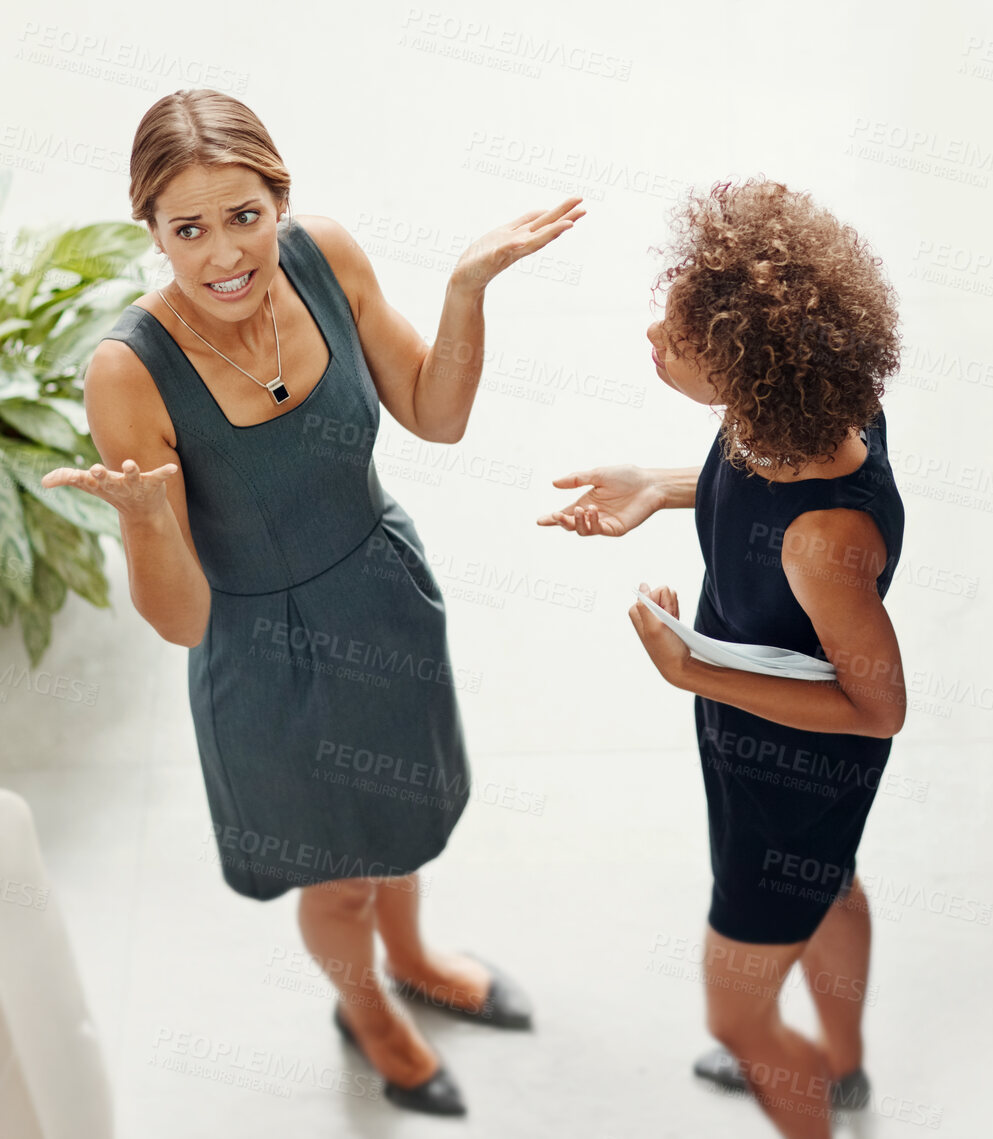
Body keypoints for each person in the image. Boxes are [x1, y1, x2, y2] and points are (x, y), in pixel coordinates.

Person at [38, 89, 585, 1116]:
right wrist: (151, 520)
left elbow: (437, 411)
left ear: (280, 200)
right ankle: (367, 1007)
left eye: (244, 216)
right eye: (187, 229)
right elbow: (184, 620)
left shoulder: (326, 257)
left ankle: (418, 954)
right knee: (339, 879)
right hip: (259, 654)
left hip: (381, 598)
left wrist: (466, 288)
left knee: (402, 832)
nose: (222, 255)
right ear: (150, 230)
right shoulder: (128, 369)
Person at [539, 177, 907, 1139]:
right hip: (774, 753)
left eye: (677, 339)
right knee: (832, 882)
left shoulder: (824, 541)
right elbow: (746, 475)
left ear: (751, 369)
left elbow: (879, 709)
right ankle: (844, 1068)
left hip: (787, 773)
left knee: (737, 1014)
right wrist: (658, 487)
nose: (652, 338)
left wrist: (690, 668)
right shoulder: (813, 409)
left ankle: (799, 1084)